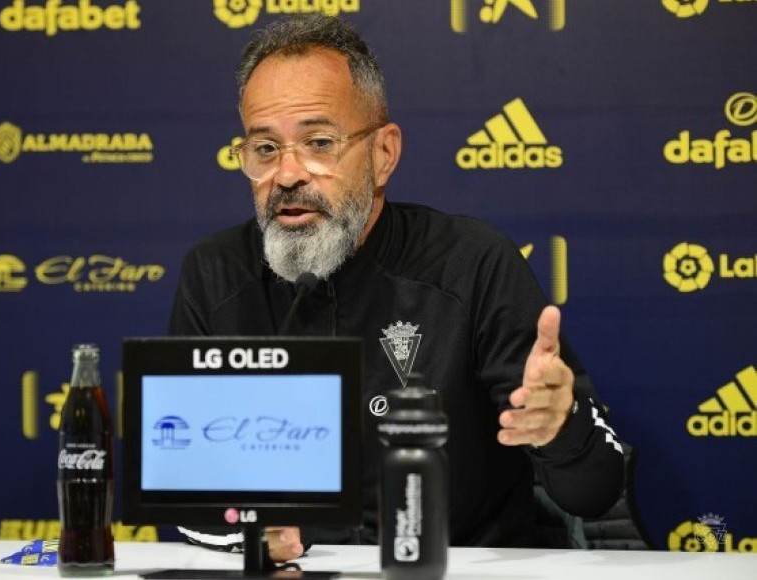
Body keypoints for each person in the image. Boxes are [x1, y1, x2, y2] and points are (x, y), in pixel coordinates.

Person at [169, 14, 624, 560]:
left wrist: (559, 427)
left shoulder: (470, 263)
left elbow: (596, 491)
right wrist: (254, 531)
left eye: (318, 142)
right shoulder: (216, 274)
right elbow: (188, 499)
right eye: (265, 149)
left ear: (384, 154)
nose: (287, 174)